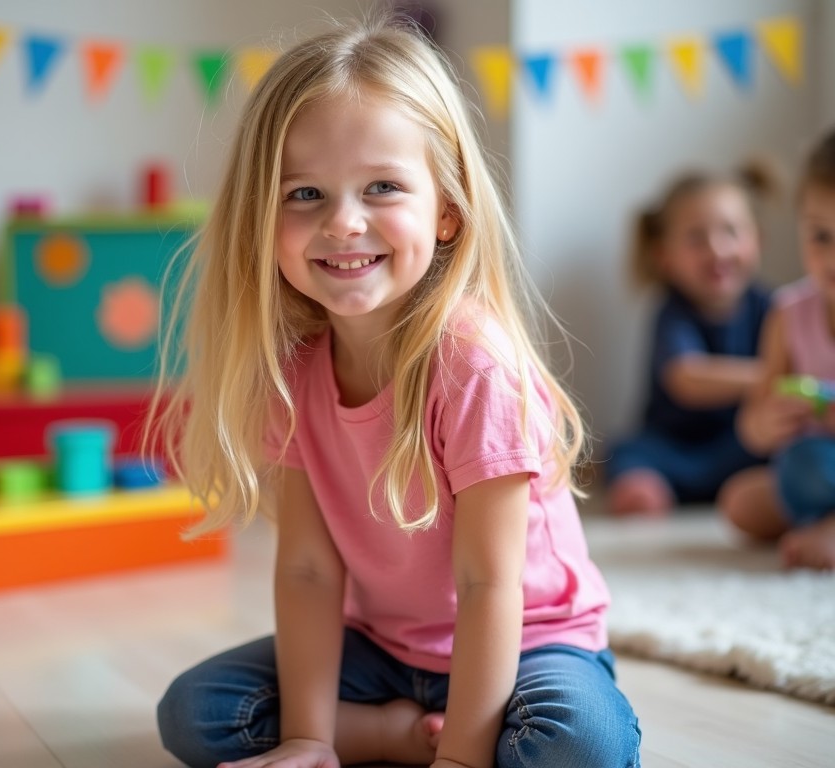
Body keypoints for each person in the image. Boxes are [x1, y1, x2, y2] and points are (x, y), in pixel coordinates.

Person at [146, 15, 640, 768]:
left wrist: (466, 758)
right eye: (305, 193)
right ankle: (392, 735)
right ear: (262, 220)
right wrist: (310, 737)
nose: (344, 223)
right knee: (195, 713)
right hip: (379, 650)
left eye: (382, 187)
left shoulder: (475, 366)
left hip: (530, 640)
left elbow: (488, 583)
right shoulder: (292, 372)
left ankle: (452, 738)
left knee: (578, 745)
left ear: (445, 210)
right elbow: (310, 570)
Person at [603, 164, 776, 516]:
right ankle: (645, 490)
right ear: (664, 256)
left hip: (741, 444)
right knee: (628, 453)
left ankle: (761, 494)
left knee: (778, 443)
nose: (717, 249)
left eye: (731, 232)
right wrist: (770, 375)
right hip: (674, 447)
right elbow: (686, 377)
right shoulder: (672, 312)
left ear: (757, 240)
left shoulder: (775, 308)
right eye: (697, 238)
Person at [719, 128, 835, 570]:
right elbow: (751, 420)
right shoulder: (788, 313)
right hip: (812, 467)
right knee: (740, 503)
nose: (832, 257)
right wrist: (768, 423)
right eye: (821, 236)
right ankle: (819, 519)